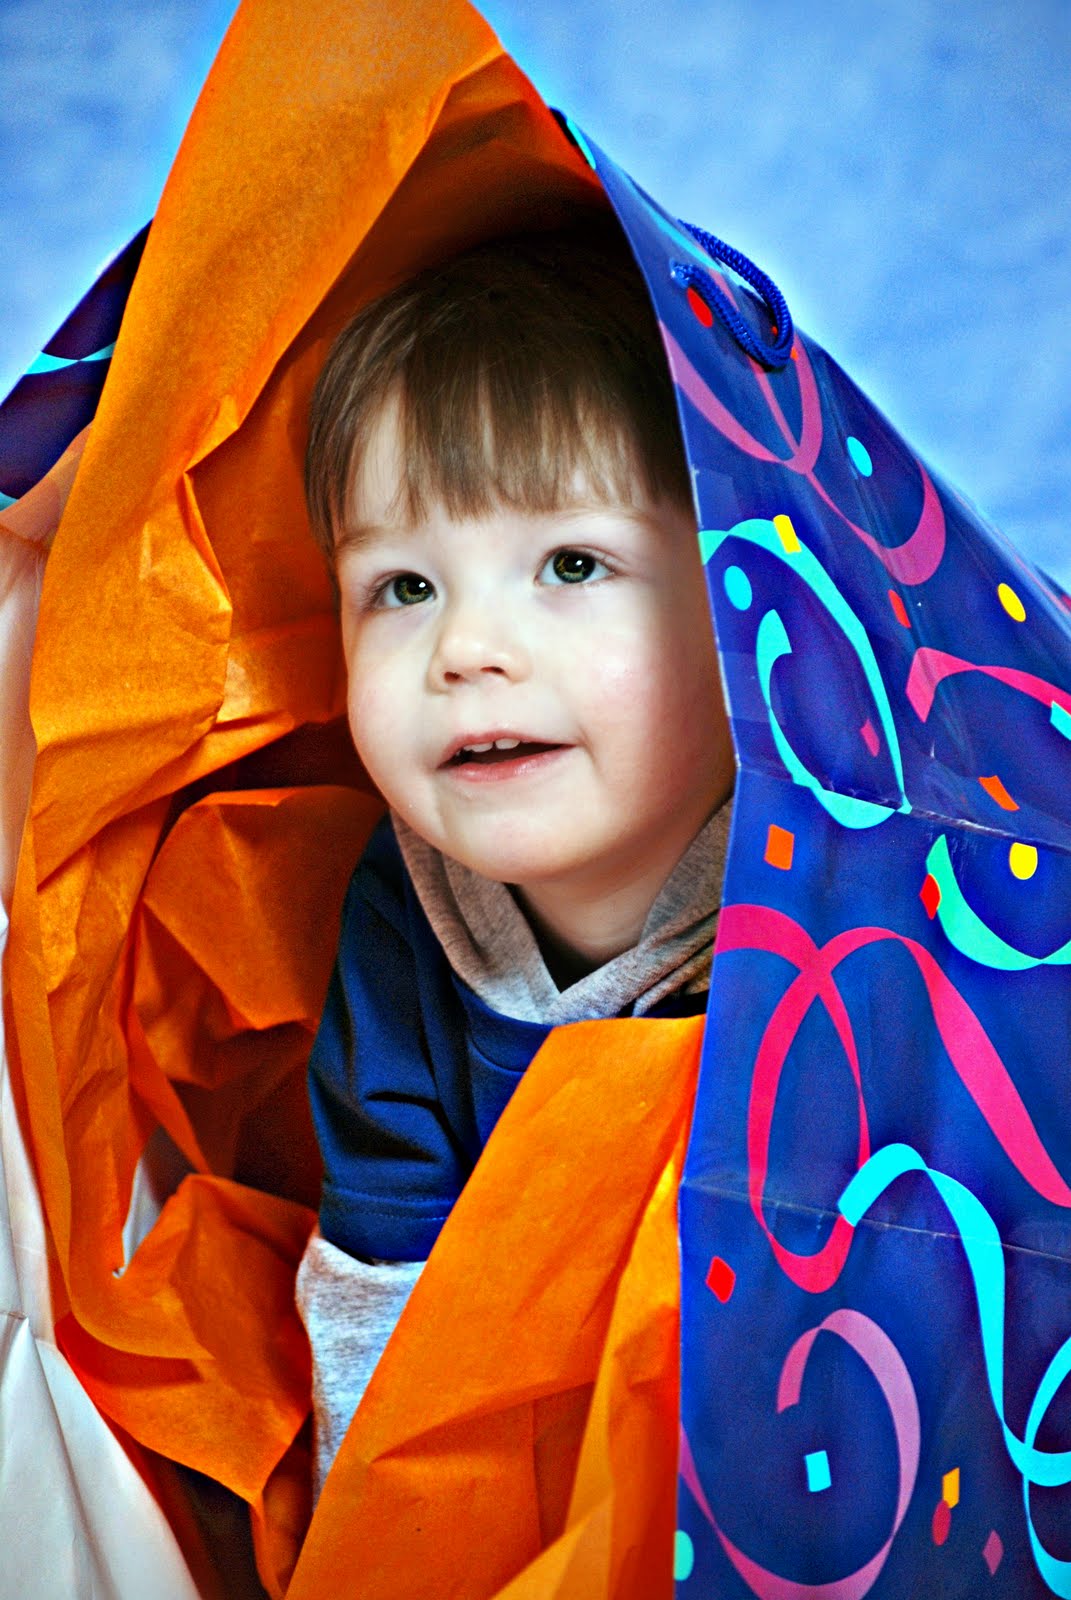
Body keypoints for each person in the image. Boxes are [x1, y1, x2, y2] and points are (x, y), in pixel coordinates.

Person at [294, 216, 736, 1493]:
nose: (465, 650)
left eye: (572, 562)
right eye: (404, 588)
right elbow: (383, 1295)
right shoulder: (405, 913)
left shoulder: (823, 898)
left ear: (734, 604)